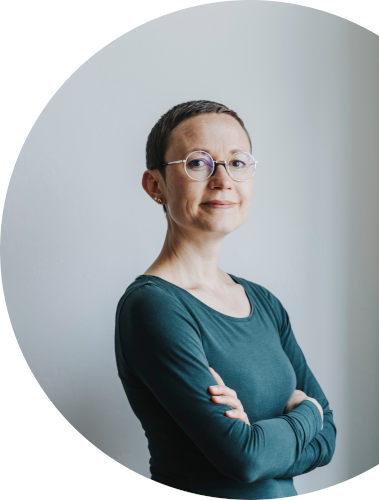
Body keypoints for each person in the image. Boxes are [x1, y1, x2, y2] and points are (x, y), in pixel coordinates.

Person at [114, 100, 337, 499]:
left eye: (237, 162)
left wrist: (263, 439)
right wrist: (308, 414)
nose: (222, 180)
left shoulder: (264, 303)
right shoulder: (153, 307)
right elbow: (246, 459)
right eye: (197, 163)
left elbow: (329, 440)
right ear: (155, 185)